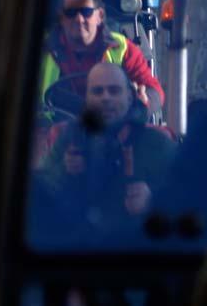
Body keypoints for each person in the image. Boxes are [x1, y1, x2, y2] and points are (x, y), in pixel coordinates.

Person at [34, 63, 176, 243]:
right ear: (86, 99)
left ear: (130, 98)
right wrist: (66, 171)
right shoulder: (69, 140)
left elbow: (190, 196)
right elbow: (42, 195)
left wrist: (153, 200)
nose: (105, 98)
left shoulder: (157, 144)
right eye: (97, 91)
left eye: (114, 91)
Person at [41, 0, 165, 114]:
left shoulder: (122, 48)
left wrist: (142, 105)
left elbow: (153, 90)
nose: (79, 19)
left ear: (99, 16)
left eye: (86, 12)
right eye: (71, 12)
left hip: (112, 131)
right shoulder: (41, 49)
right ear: (61, 18)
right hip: (54, 130)